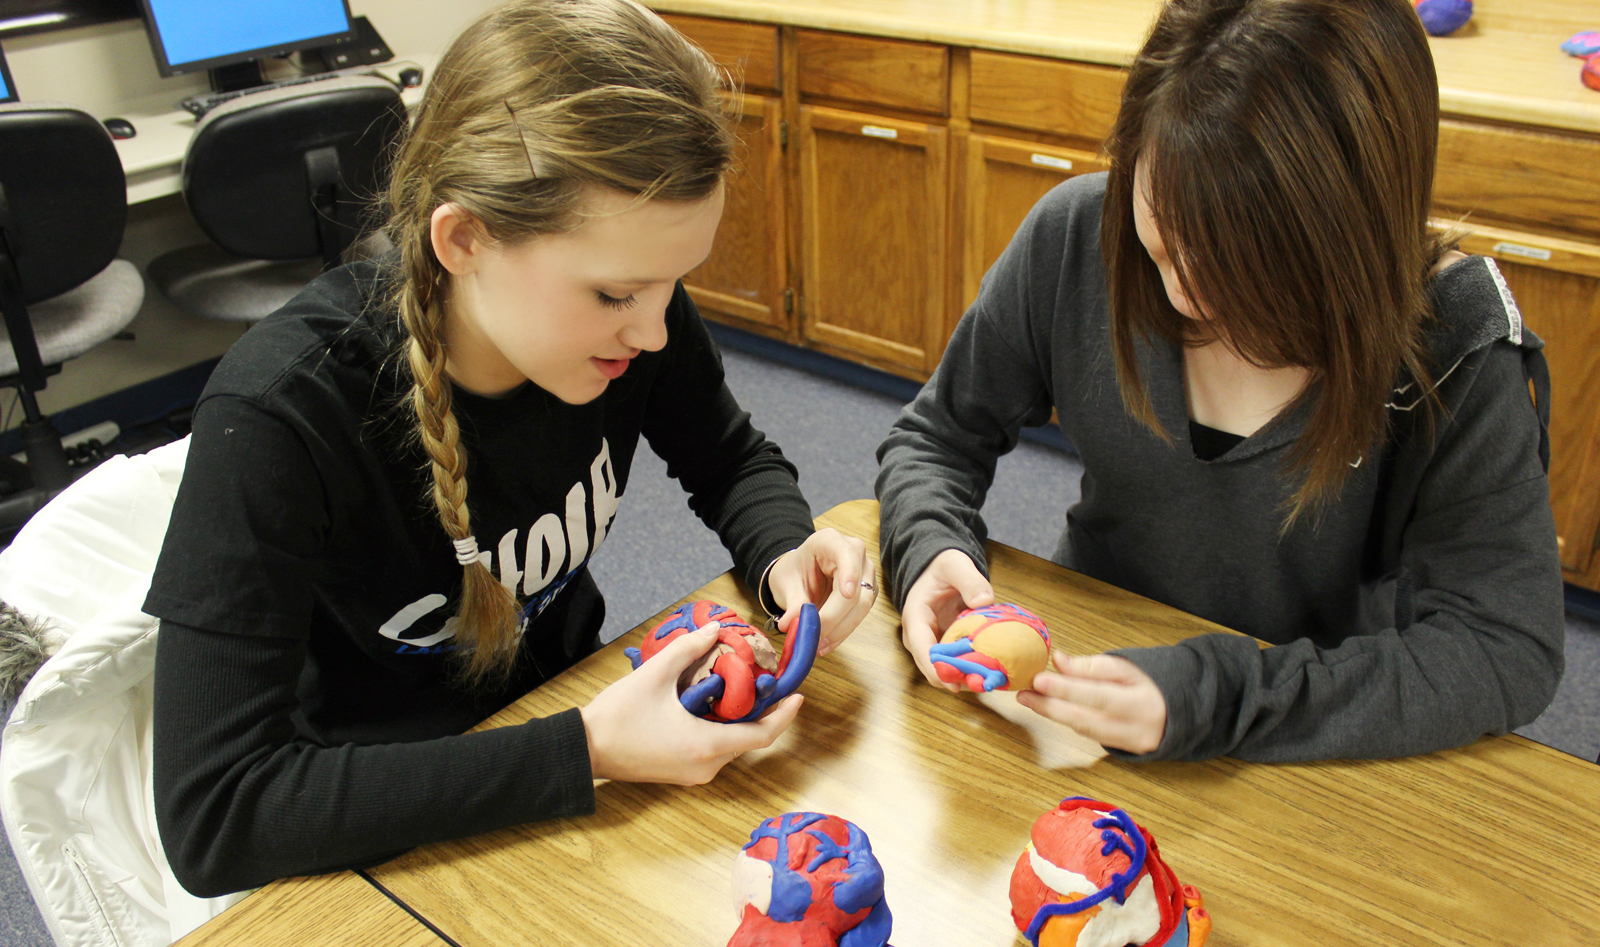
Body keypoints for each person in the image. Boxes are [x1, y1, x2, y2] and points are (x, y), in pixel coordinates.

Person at [144, 0, 877, 898]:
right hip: (384, 833)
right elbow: (217, 812)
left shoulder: (635, 320)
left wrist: (781, 553)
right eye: (614, 293)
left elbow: (728, 458)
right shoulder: (277, 416)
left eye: (671, 286)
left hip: (581, 754)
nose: (653, 330)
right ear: (464, 239)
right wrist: (588, 748)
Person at [876, 0, 1565, 763]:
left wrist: (1220, 695)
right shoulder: (1076, 235)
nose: (1181, 293)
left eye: (1237, 263)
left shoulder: (1456, 345)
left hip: (1311, 735)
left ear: (1349, 243)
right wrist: (931, 543)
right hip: (1083, 692)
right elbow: (937, 437)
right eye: (1165, 241)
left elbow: (1504, 647)